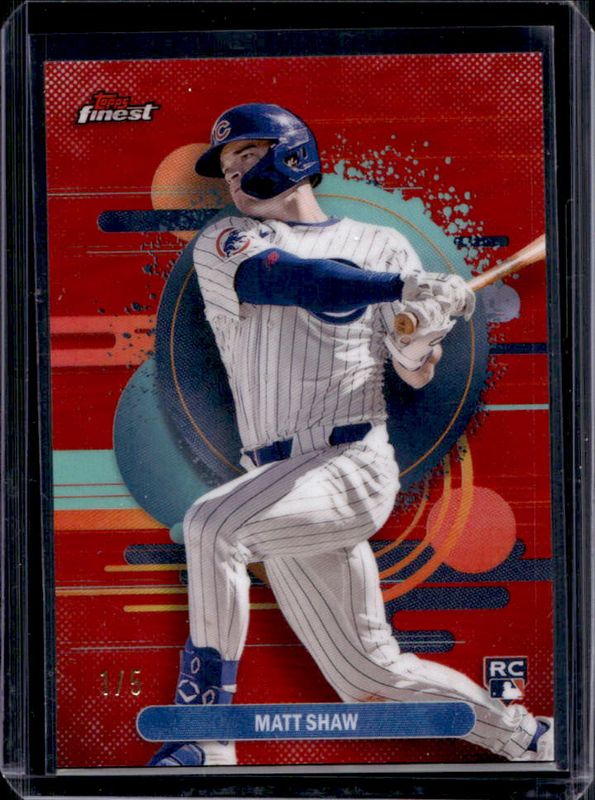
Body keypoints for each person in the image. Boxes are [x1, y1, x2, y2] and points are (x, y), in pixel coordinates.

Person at [149, 103, 552, 766]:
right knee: (367, 676)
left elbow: (414, 371)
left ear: (293, 153)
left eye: (246, 154)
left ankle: (202, 733)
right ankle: (526, 738)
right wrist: (404, 286)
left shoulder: (380, 244)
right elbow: (294, 281)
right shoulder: (227, 240)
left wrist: (420, 332)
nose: (234, 173)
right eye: (226, 165)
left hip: (350, 463)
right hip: (275, 480)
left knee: (212, 527)